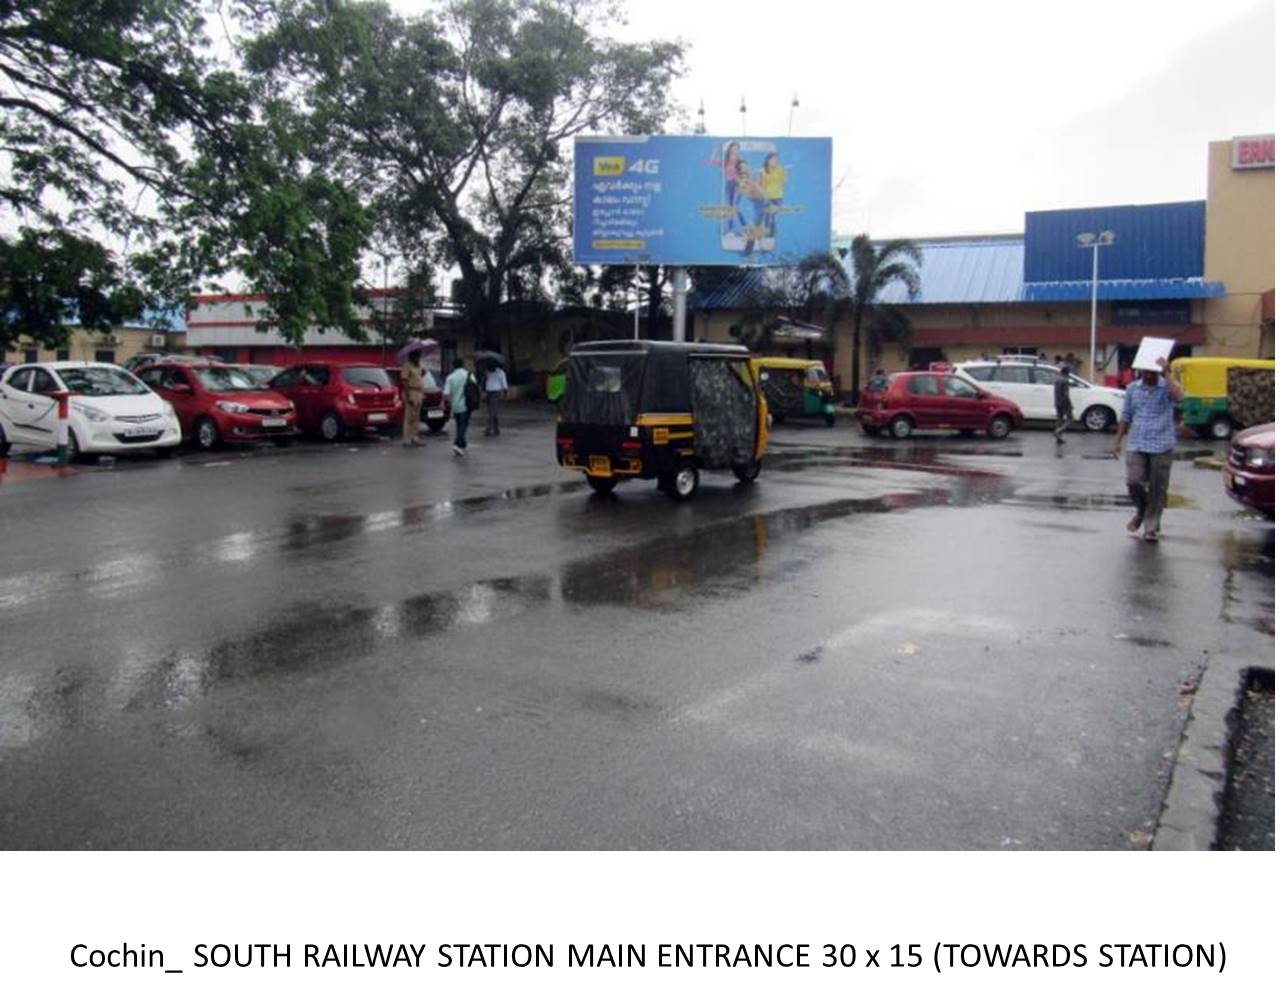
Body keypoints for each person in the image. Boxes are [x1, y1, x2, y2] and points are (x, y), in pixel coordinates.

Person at [1111, 357, 1184, 542]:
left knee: (1157, 488)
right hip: (1137, 442)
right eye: (1146, 372)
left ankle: (1151, 527)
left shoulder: (1166, 386)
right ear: (1141, 371)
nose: (1149, 376)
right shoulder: (1132, 389)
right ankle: (1142, 511)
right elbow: (1126, 415)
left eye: (1153, 373)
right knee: (1133, 481)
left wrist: (1167, 373)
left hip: (1162, 444)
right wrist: (1117, 440)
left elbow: (1179, 397)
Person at [443, 357, 477, 456]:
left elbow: (446, 393)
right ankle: (457, 444)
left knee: (459, 425)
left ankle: (462, 443)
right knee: (464, 425)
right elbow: (475, 387)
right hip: (467, 404)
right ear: (463, 365)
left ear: (453, 366)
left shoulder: (450, 377)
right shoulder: (469, 375)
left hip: (456, 406)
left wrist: (445, 403)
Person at [400, 348, 425, 447]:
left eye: (419, 357)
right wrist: (408, 395)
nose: (418, 358)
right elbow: (405, 381)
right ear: (412, 357)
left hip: (419, 392)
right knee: (409, 416)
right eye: (417, 356)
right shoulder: (407, 366)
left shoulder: (418, 366)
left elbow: (419, 377)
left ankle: (415, 437)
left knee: (416, 417)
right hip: (411, 391)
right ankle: (407, 439)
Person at [483, 362, 508, 436]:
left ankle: (488, 429)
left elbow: (504, 381)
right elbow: (485, 381)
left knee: (492, 411)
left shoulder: (500, 372)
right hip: (489, 392)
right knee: (493, 411)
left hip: (496, 392)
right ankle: (496, 428)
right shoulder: (487, 371)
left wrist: (505, 391)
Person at [1052, 361, 1075, 442]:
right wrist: (1070, 404)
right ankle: (1058, 431)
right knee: (1070, 419)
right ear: (1067, 372)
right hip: (1064, 402)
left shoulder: (1057, 380)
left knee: (1059, 419)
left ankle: (1059, 438)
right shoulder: (1065, 381)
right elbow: (1066, 394)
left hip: (1057, 401)